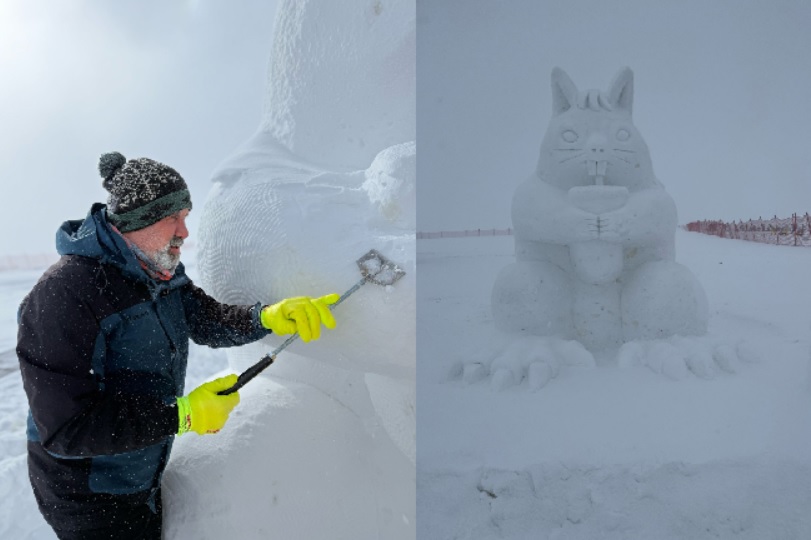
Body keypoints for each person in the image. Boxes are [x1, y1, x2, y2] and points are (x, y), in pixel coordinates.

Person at [16, 152, 339, 539]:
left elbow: (205, 319)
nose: (185, 232)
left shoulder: (160, 269)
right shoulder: (65, 295)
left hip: (141, 472)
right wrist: (182, 416)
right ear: (137, 221)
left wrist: (265, 318)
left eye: (186, 215)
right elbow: (66, 429)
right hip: (89, 497)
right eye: (174, 218)